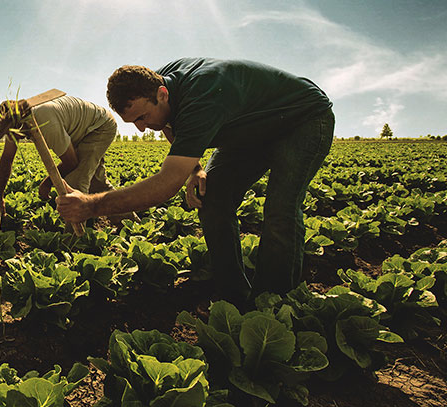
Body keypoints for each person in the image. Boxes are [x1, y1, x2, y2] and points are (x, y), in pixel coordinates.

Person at [56, 58, 334, 300]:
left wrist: (92, 206)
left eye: (142, 117)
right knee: (210, 198)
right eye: (134, 123)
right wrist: (195, 169)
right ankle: (234, 296)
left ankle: (273, 304)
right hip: (249, 130)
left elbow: (166, 184)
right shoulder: (159, 86)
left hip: (302, 119)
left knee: (280, 210)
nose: (142, 129)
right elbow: (166, 122)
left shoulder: (203, 95)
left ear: (162, 94)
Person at [0, 95, 119, 220]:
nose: (11, 137)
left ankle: (73, 239)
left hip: (98, 127)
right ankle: (126, 218)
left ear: (18, 125)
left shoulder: (44, 122)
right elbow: (7, 159)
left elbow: (71, 162)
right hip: (81, 130)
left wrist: (47, 183)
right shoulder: (17, 126)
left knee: (75, 182)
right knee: (97, 183)